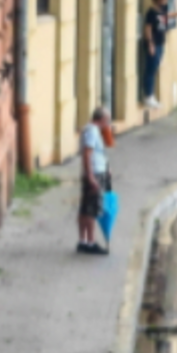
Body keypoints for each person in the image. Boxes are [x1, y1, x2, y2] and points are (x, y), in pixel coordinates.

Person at [77, 106, 111, 254]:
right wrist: (91, 176)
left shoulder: (90, 129)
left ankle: (83, 241)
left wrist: (106, 167)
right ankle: (90, 242)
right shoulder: (92, 131)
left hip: (94, 172)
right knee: (91, 210)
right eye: (107, 120)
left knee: (85, 209)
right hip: (95, 174)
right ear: (102, 119)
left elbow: (96, 153)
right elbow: (87, 153)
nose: (108, 123)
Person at [140, 0, 175, 110]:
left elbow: (167, 16)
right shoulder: (151, 13)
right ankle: (148, 96)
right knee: (150, 69)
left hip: (160, 43)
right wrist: (150, 44)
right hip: (154, 44)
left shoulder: (162, 10)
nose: (165, 1)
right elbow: (148, 29)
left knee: (155, 68)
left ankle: (151, 95)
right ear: (157, 0)